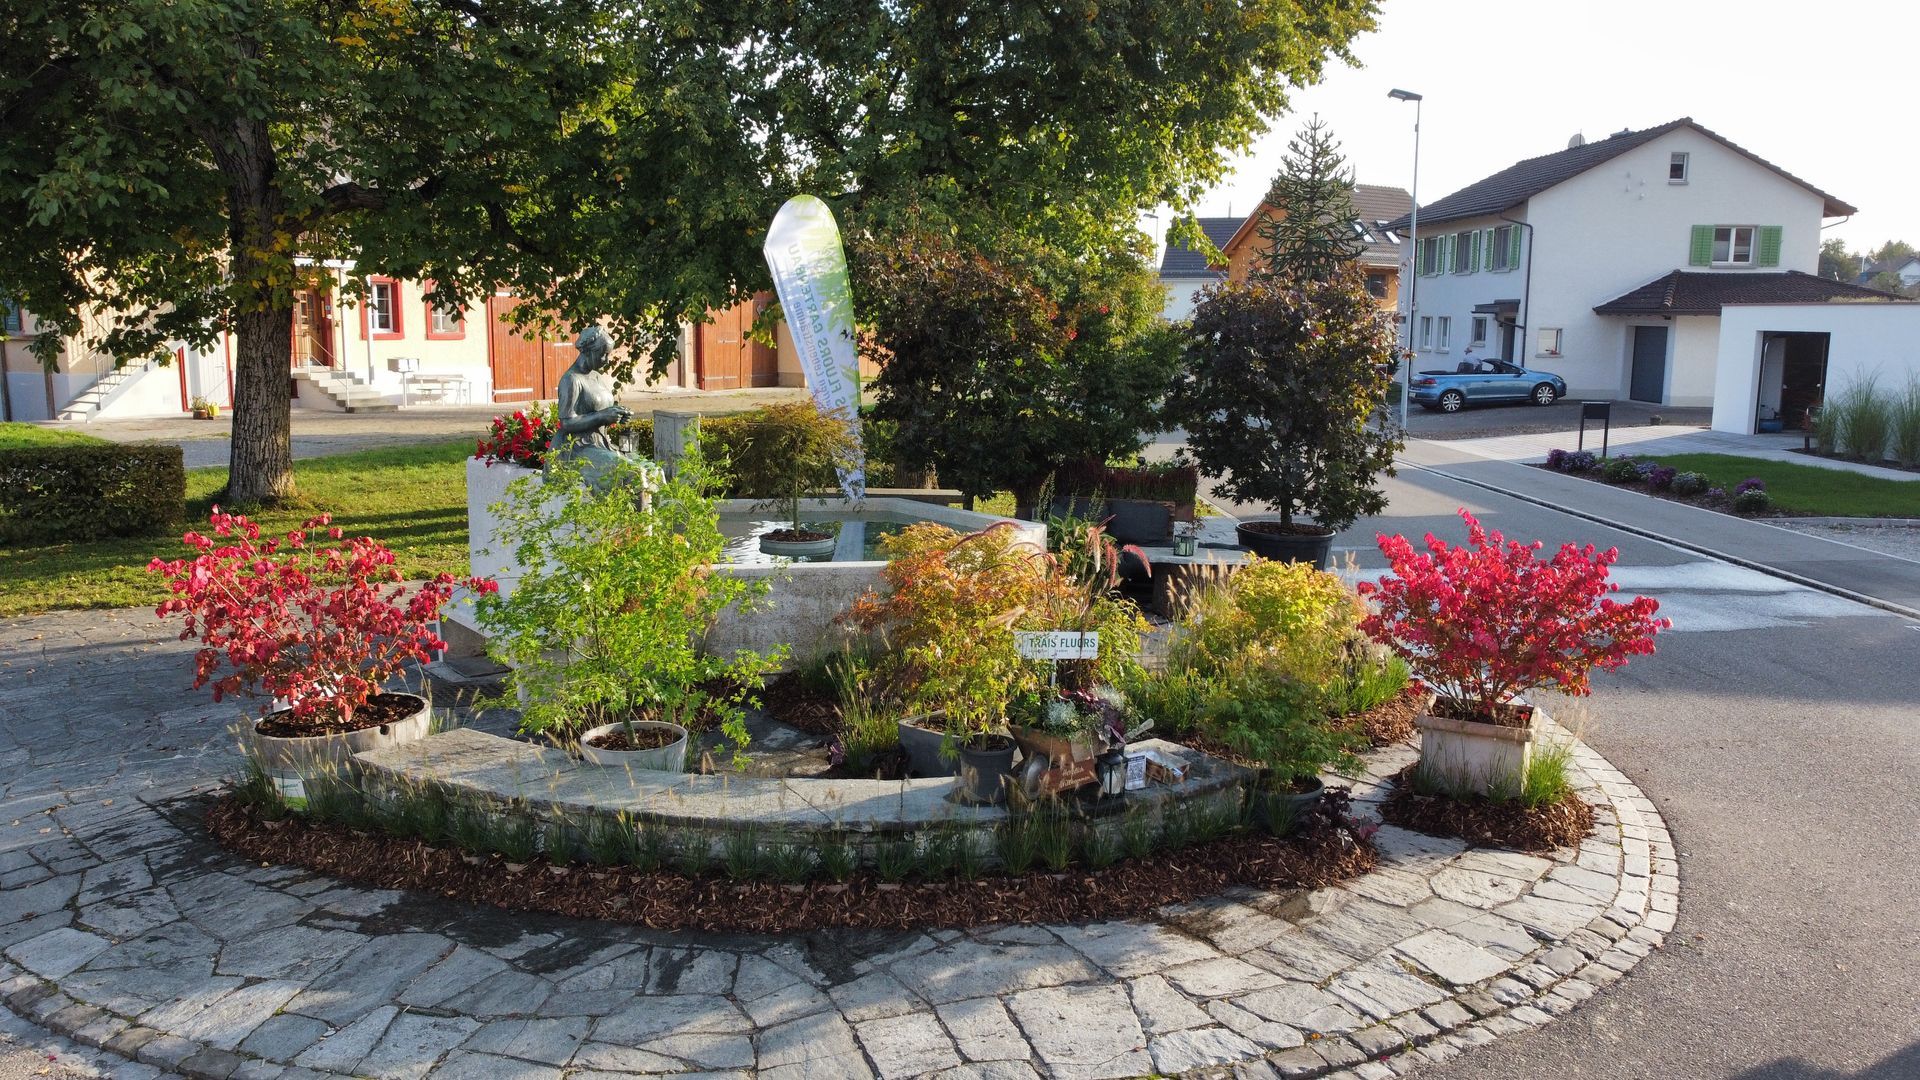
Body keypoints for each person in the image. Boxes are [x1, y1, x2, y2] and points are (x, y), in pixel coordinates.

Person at [552, 325, 633, 486]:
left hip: (602, 443)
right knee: (629, 472)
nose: (607, 360)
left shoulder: (596, 377)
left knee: (651, 470)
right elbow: (566, 422)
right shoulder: (571, 379)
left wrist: (616, 414)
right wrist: (602, 416)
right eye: (603, 354)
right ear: (588, 351)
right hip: (578, 448)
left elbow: (601, 410)